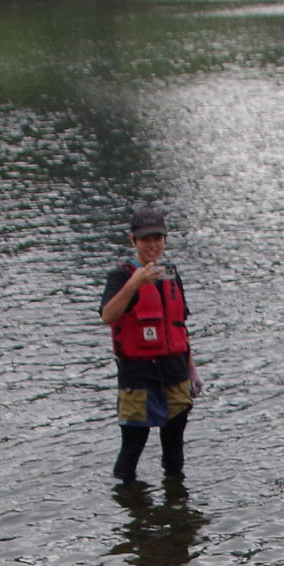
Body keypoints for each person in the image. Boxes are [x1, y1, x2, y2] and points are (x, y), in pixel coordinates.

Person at [100, 206, 198, 484]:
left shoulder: (171, 275)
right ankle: (129, 508)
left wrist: (192, 369)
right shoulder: (120, 276)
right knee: (132, 448)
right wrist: (134, 284)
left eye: (158, 238)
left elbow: (180, 326)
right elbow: (108, 316)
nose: (153, 245)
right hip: (138, 374)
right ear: (133, 241)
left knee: (175, 452)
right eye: (146, 239)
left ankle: (177, 510)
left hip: (174, 371)